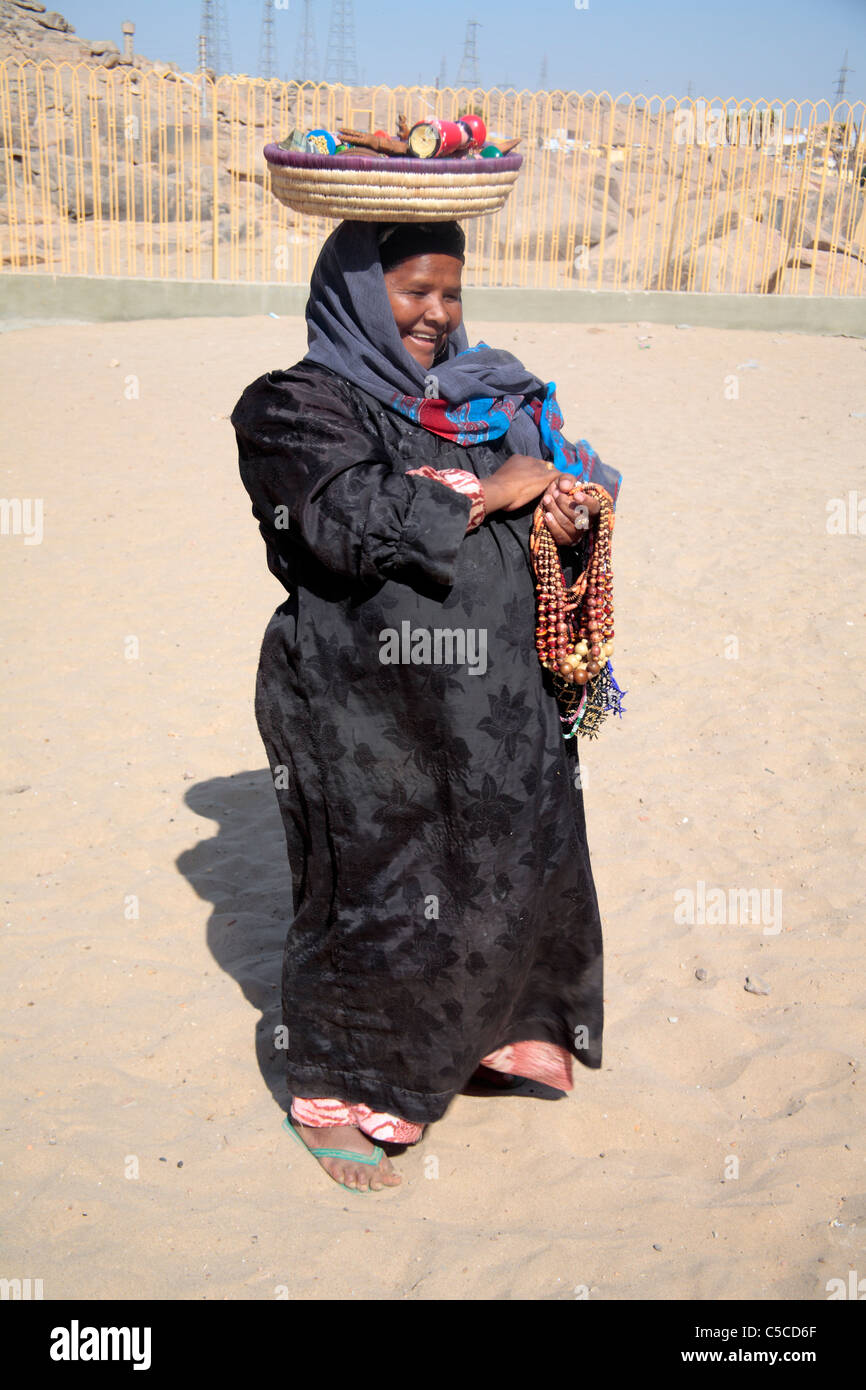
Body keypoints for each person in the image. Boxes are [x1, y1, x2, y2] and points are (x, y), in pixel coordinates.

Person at [230, 218, 621, 1193]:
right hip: (364, 701)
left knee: (506, 860)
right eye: (412, 292)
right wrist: (490, 495)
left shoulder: (473, 398)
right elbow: (341, 523)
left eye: (449, 292)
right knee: (379, 884)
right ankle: (336, 1095)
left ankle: (483, 1037)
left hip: (493, 705)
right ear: (357, 293)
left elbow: (548, 484)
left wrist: (560, 511)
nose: (436, 314)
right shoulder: (294, 406)